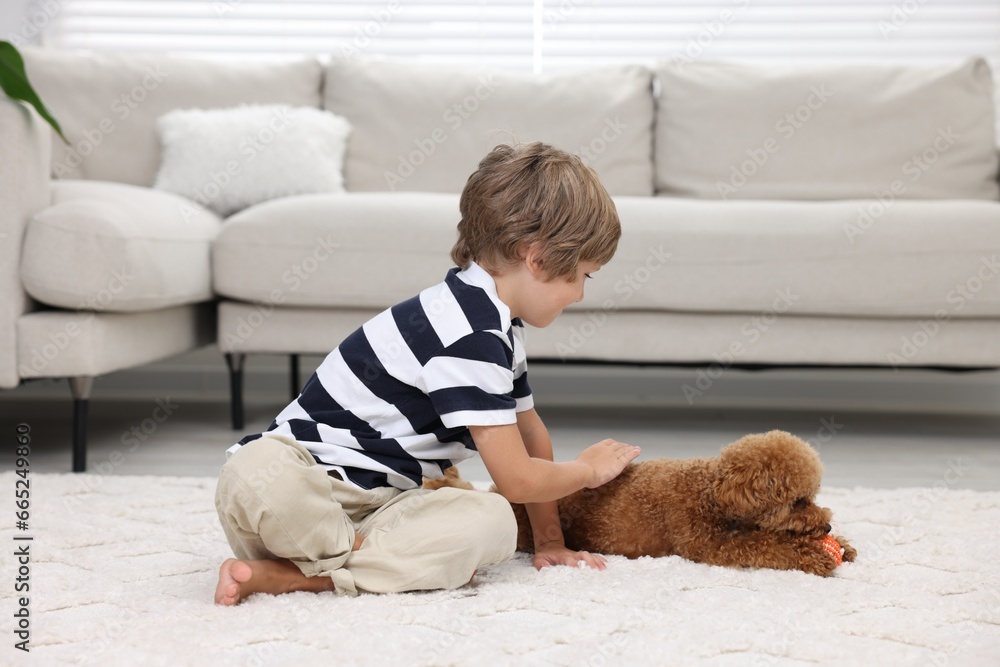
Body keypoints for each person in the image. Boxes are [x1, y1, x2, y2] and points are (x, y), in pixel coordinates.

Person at [214, 141, 641, 605]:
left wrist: (550, 541)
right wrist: (585, 471)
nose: (579, 294)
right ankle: (330, 563)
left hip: (382, 510)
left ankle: (301, 571)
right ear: (535, 257)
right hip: (303, 494)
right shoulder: (465, 333)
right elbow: (518, 478)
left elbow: (530, 433)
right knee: (254, 469)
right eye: (581, 275)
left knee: (492, 521)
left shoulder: (499, 332)